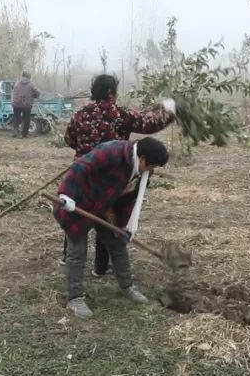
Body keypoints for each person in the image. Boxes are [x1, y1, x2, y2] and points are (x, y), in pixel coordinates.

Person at [60, 74, 176, 272]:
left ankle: (68, 256)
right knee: (105, 218)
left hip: (82, 174)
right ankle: (101, 267)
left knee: (76, 212)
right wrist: (170, 109)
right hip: (109, 175)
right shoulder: (119, 114)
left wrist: (84, 150)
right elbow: (150, 124)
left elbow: (69, 139)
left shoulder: (79, 114)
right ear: (110, 93)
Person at [54, 137, 170, 318]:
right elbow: (78, 168)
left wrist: (123, 226)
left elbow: (129, 201)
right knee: (77, 251)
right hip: (79, 203)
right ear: (142, 158)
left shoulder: (142, 173)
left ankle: (127, 286)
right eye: (151, 166)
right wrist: (67, 195)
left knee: (118, 244)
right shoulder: (111, 153)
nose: (151, 171)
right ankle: (74, 298)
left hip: (105, 207)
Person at [10, 71, 41, 138]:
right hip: (26, 104)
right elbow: (38, 93)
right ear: (29, 77)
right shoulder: (31, 84)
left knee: (16, 117)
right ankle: (24, 134)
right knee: (26, 119)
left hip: (16, 103)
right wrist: (33, 96)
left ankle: (15, 131)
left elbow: (12, 87)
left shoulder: (17, 83)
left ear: (22, 76)